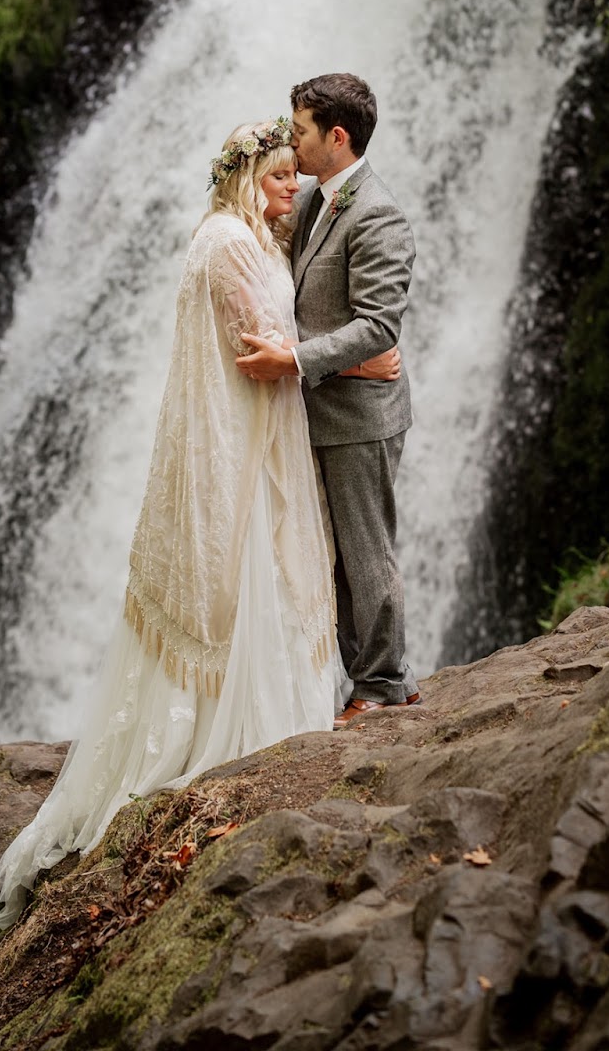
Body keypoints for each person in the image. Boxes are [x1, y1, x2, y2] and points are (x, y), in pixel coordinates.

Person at [0, 117, 393, 928]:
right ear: (248, 178)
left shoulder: (239, 236)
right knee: (257, 574)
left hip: (260, 433)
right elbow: (265, 347)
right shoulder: (229, 246)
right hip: (246, 444)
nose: (294, 190)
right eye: (281, 178)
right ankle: (260, 727)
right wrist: (358, 357)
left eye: (297, 174)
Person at [236, 74, 419, 728]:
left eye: (303, 130)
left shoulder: (378, 213)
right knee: (337, 553)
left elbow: (378, 326)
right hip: (323, 408)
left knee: (367, 550)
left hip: (359, 415)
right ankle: (361, 679)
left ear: (336, 137)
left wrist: (293, 358)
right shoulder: (318, 201)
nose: (294, 141)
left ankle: (384, 684)